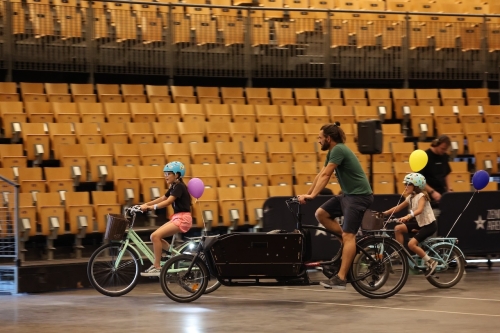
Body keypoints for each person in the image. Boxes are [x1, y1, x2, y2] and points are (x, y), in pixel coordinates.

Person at [297, 122, 373, 290]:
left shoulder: (339, 149)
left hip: (359, 197)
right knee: (321, 214)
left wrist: (312, 195)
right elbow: (320, 174)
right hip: (347, 195)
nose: (318, 140)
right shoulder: (333, 151)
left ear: (328, 138)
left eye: (320, 137)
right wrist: (308, 194)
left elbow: (326, 174)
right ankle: (348, 244)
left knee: (348, 235)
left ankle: (341, 277)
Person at [140, 161, 192, 276]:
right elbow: (163, 198)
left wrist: (149, 208)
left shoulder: (179, 186)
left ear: (177, 175)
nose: (166, 176)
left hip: (183, 219)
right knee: (154, 236)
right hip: (178, 217)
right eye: (165, 173)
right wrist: (144, 204)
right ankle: (174, 255)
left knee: (155, 236)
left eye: (168, 173)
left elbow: (168, 202)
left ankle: (157, 266)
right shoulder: (174, 186)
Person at [382, 173, 438, 277]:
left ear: (416, 186)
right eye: (405, 184)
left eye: (408, 184)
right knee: (398, 228)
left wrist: (408, 216)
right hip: (420, 224)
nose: (405, 186)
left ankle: (431, 262)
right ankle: (400, 253)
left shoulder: (422, 196)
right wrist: (384, 213)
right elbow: (398, 208)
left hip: (429, 225)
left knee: (411, 244)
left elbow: (420, 210)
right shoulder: (410, 197)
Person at [419, 135, 453, 204]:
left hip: (441, 194)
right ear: (436, 145)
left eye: (446, 149)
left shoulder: (444, 156)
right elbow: (419, 179)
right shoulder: (424, 156)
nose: (444, 151)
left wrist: (449, 189)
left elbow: (446, 174)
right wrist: (432, 192)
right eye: (442, 149)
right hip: (426, 195)